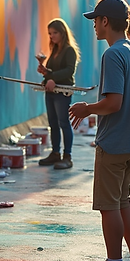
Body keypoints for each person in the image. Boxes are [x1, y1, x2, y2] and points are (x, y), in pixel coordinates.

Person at [69, 0, 130, 261]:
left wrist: (87, 108)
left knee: (108, 206)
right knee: (123, 202)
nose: (94, 25)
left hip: (114, 141)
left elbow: (114, 102)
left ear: (106, 22)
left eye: (96, 20)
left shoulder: (113, 54)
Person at [35, 19, 80, 169]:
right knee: (53, 123)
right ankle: (55, 153)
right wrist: (45, 73)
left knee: (63, 123)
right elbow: (51, 72)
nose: (52, 36)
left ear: (62, 33)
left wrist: (52, 76)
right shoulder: (54, 50)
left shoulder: (69, 50)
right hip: (51, 92)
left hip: (63, 91)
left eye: (55, 33)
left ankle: (67, 156)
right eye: (49, 33)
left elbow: (69, 71)